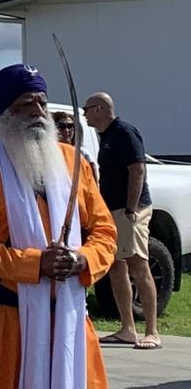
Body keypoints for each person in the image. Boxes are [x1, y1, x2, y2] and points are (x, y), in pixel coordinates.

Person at [0, 65, 116, 388]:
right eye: (26, 104)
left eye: (42, 102)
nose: (38, 112)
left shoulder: (74, 162)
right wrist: (33, 264)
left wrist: (82, 259)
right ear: (4, 113)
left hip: (70, 317)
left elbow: (105, 233)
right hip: (6, 325)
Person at [85, 92, 160, 350]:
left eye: (87, 109)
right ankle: (127, 328)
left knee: (138, 264)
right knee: (116, 266)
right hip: (112, 209)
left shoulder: (125, 132)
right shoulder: (105, 136)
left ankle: (152, 331)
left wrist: (131, 207)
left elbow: (137, 169)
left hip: (131, 209)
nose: (84, 114)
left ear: (100, 108)